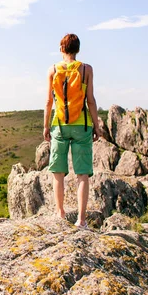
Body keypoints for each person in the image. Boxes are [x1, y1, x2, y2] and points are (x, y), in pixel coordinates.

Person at [43, 34, 102, 228]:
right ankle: (81, 220)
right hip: (82, 125)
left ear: (62, 49)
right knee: (82, 174)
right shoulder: (86, 69)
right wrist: (97, 125)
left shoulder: (53, 69)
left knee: (58, 173)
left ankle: (60, 214)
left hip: (59, 124)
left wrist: (45, 127)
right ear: (78, 49)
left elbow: (48, 102)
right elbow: (90, 100)